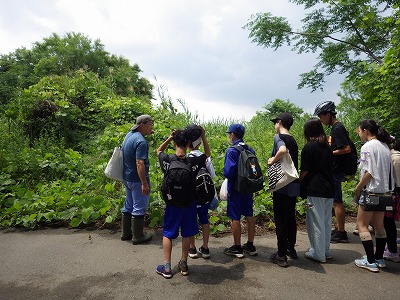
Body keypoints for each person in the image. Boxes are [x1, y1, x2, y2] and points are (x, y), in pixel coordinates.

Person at [156, 129, 205, 278]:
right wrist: (203, 136)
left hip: (172, 205)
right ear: (189, 143)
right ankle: (184, 263)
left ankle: (167, 267)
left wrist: (169, 138)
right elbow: (207, 155)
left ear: (174, 143)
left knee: (168, 234)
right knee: (186, 234)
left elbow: (158, 150)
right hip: (189, 204)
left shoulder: (167, 160)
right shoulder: (192, 162)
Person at [353, 119, 393, 272]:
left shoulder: (367, 147)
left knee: (362, 225)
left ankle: (370, 261)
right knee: (379, 226)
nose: (359, 134)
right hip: (385, 193)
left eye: (360, 131)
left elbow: (369, 172)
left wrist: (358, 188)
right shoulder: (385, 146)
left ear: (366, 131)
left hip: (371, 192)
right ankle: (379, 258)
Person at [314, 101, 350, 243]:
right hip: (334, 169)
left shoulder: (337, 128)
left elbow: (346, 148)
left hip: (336, 170)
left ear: (327, 114)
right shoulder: (335, 128)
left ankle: (341, 232)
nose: (320, 120)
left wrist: (330, 152)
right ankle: (338, 228)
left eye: (321, 116)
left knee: (337, 201)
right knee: (336, 200)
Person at [300, 118, 334, 263]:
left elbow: (305, 171)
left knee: (315, 221)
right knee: (326, 221)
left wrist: (298, 181)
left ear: (308, 131)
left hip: (314, 189)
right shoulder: (327, 147)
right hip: (329, 189)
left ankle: (317, 253)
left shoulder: (309, 148)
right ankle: (325, 251)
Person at [268, 113, 300, 267]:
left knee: (280, 220)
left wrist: (272, 160)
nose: (275, 125)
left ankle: (281, 255)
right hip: (293, 183)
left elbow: (281, 150)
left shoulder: (278, 137)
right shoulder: (293, 139)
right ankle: (290, 249)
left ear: (280, 123)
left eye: (275, 123)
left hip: (282, 184)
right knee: (290, 217)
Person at [223, 123, 257, 258]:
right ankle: (250, 245)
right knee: (249, 215)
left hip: (236, 188)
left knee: (235, 217)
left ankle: (237, 247)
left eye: (229, 134)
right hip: (248, 187)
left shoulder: (232, 151)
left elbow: (228, 172)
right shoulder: (250, 149)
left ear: (232, 135)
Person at [185, 124, 218, 259]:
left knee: (192, 220)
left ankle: (192, 248)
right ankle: (205, 248)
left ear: (188, 144)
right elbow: (212, 174)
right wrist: (204, 135)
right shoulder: (204, 158)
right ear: (199, 143)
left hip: (191, 196)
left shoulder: (186, 158)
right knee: (204, 220)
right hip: (204, 195)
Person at [121, 114, 154, 244]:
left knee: (128, 205)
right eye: (150, 124)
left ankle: (126, 233)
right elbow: (139, 163)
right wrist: (144, 183)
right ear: (143, 125)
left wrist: (147, 134)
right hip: (137, 180)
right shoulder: (141, 142)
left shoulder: (129, 135)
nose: (151, 127)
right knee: (139, 207)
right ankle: (138, 236)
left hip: (127, 177)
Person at [383, 138, 400, 262]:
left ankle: (392, 251)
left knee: (388, 222)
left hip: (394, 195)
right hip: (394, 194)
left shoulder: (395, 159)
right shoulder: (394, 156)